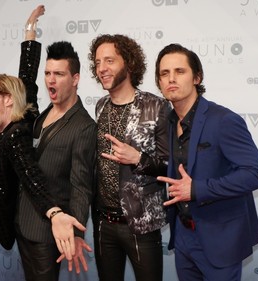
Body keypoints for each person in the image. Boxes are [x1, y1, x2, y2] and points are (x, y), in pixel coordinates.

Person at [0, 36, 85, 281]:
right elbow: (27, 81)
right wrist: (29, 38)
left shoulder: (16, 133)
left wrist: (55, 213)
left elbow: (31, 174)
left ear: (8, 99)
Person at [154, 43, 258, 281]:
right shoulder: (169, 121)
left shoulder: (224, 120)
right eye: (164, 73)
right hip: (184, 236)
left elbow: (255, 174)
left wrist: (197, 189)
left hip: (220, 239)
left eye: (179, 71)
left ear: (197, 77)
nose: (171, 79)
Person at [14, 5, 97, 281]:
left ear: (75, 79)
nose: (51, 79)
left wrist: (73, 232)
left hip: (48, 234)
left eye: (59, 74)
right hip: (22, 223)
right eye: (48, 73)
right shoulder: (42, 113)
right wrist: (30, 35)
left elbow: (81, 186)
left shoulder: (84, 126)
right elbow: (25, 85)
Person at [88, 34, 170, 281]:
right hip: (104, 222)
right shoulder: (100, 106)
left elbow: (169, 167)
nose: (102, 68)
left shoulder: (156, 106)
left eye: (109, 60)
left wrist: (138, 158)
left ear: (130, 63)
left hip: (141, 223)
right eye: (98, 62)